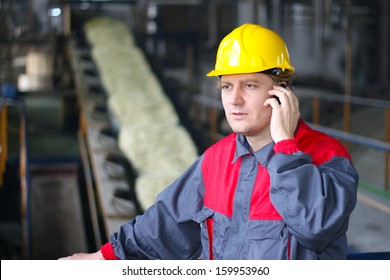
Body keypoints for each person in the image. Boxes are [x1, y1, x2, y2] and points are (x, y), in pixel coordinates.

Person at [60, 23, 359, 260]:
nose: (234, 99)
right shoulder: (217, 159)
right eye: (227, 86)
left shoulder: (327, 156)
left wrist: (285, 148)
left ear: (282, 90)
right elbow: (166, 224)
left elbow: (315, 226)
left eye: (249, 85)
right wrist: (104, 257)